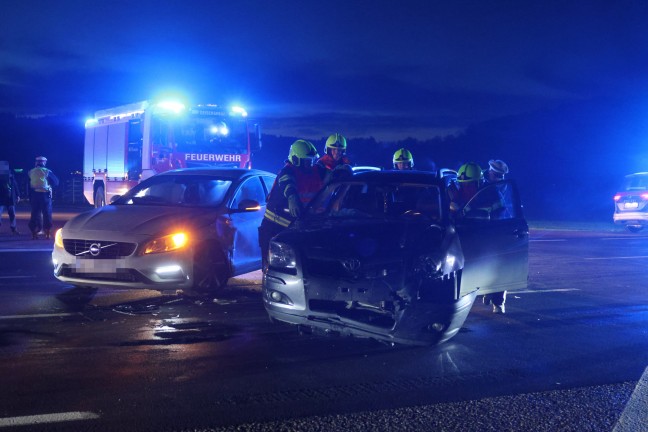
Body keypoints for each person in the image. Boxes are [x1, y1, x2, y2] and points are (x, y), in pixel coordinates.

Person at [259, 140, 329, 269]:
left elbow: (327, 173)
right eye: (308, 161)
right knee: (273, 268)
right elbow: (288, 183)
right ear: (296, 159)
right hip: (274, 229)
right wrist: (292, 197)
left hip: (292, 228)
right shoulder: (287, 172)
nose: (311, 164)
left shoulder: (311, 172)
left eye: (312, 160)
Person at [482, 159, 510, 314]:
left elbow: (505, 209)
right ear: (490, 171)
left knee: (502, 266)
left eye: (501, 176)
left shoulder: (505, 186)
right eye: (497, 175)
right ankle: (486, 290)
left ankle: (498, 302)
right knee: (483, 262)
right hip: (482, 228)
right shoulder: (481, 184)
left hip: (500, 229)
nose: (500, 178)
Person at [28, 156, 59, 240]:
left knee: (35, 214)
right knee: (47, 214)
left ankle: (34, 232)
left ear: (36, 163)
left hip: (34, 195)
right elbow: (56, 182)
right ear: (44, 163)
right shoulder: (47, 171)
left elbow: (29, 184)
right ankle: (47, 233)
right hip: (45, 195)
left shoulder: (31, 171)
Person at [0, 161, 21, 235]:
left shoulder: (11, 175)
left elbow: (15, 185)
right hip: (1, 198)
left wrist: (18, 195)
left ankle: (14, 229)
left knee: (12, 214)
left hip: (10, 198)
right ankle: (14, 229)